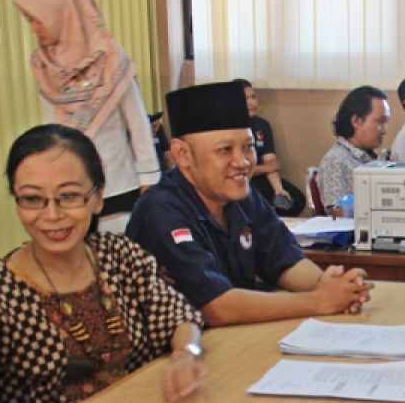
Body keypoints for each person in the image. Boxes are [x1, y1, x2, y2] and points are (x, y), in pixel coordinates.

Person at [0, 124, 206, 403]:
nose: (51, 215)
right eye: (33, 199)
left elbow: (180, 315)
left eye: (68, 196)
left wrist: (186, 354)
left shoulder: (119, 256)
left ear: (97, 198)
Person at [126, 81, 372, 327]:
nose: (243, 162)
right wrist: (319, 301)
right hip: (182, 354)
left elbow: (283, 260)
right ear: (182, 155)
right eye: (224, 150)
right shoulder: (160, 211)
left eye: (248, 147)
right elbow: (216, 306)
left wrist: (329, 285)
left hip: (236, 338)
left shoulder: (243, 196)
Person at [15, 0, 161, 216]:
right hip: (71, 188)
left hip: (119, 185)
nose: (34, 28)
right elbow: (52, 129)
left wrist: (149, 177)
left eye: (37, 20)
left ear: (62, 15)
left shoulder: (111, 58)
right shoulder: (45, 66)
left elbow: (138, 122)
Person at [237, 79, 306, 216]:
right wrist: (265, 168)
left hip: (261, 177)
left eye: (253, 97)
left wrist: (278, 190)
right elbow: (236, 167)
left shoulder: (262, 125)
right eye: (246, 99)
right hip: (243, 179)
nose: (252, 103)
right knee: (256, 203)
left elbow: (271, 162)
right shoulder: (231, 129)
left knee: (296, 199)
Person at [317, 86, 391, 209]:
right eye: (380, 122)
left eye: (386, 122)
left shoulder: (369, 158)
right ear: (356, 121)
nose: (385, 130)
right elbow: (338, 212)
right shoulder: (336, 161)